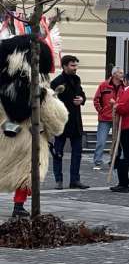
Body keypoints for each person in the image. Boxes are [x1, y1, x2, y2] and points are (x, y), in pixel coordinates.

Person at [0, 23, 68, 218]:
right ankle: (18, 206)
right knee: (29, 172)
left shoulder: (3, 87)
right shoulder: (40, 91)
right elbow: (57, 122)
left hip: (5, 134)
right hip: (30, 137)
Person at [50, 55, 89, 190]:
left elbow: (82, 94)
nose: (75, 68)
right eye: (72, 65)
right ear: (65, 66)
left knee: (77, 153)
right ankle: (58, 180)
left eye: (76, 65)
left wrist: (81, 100)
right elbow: (50, 101)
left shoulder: (77, 79)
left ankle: (75, 180)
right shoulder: (56, 82)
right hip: (61, 122)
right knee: (58, 152)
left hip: (76, 122)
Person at [92, 66, 124, 170]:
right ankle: (97, 162)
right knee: (101, 141)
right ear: (114, 74)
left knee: (116, 141)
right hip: (104, 118)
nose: (122, 75)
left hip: (118, 117)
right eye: (120, 73)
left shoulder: (124, 86)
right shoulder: (104, 85)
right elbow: (96, 99)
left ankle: (113, 161)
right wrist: (101, 111)